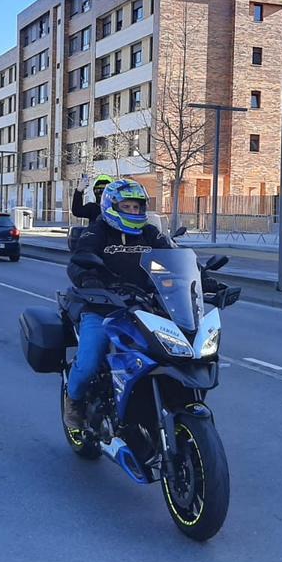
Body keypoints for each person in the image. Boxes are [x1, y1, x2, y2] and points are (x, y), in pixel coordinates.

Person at [63, 179, 174, 429]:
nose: (135, 212)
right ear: (113, 206)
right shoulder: (98, 231)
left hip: (144, 308)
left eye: (138, 208)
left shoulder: (149, 233)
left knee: (171, 356)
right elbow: (79, 262)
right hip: (103, 308)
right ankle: (74, 401)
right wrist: (90, 279)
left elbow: (172, 257)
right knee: (89, 362)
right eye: (128, 207)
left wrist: (205, 280)